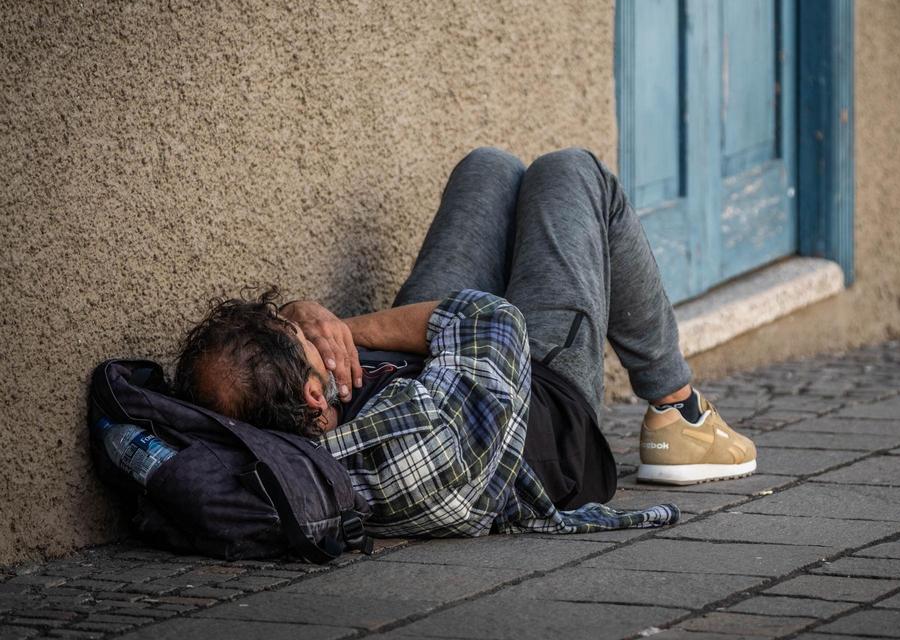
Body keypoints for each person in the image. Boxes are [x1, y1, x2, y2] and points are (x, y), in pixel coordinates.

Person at [174, 147, 756, 537]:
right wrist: (346, 329)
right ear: (312, 397)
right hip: (533, 392)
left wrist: (305, 317)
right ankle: (680, 414)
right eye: (306, 340)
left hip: (436, 355)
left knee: (488, 168)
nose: (317, 336)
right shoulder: (404, 448)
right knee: (573, 173)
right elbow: (493, 323)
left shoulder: (287, 415)